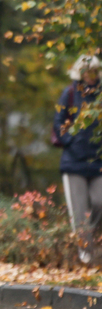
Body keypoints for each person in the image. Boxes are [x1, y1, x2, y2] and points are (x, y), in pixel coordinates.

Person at [54, 54, 102, 264]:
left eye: (94, 71)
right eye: (87, 71)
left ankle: (93, 244)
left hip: (98, 162)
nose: (91, 75)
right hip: (74, 163)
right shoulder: (70, 93)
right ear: (80, 73)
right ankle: (86, 256)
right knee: (79, 212)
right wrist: (69, 139)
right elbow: (59, 120)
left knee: (100, 202)